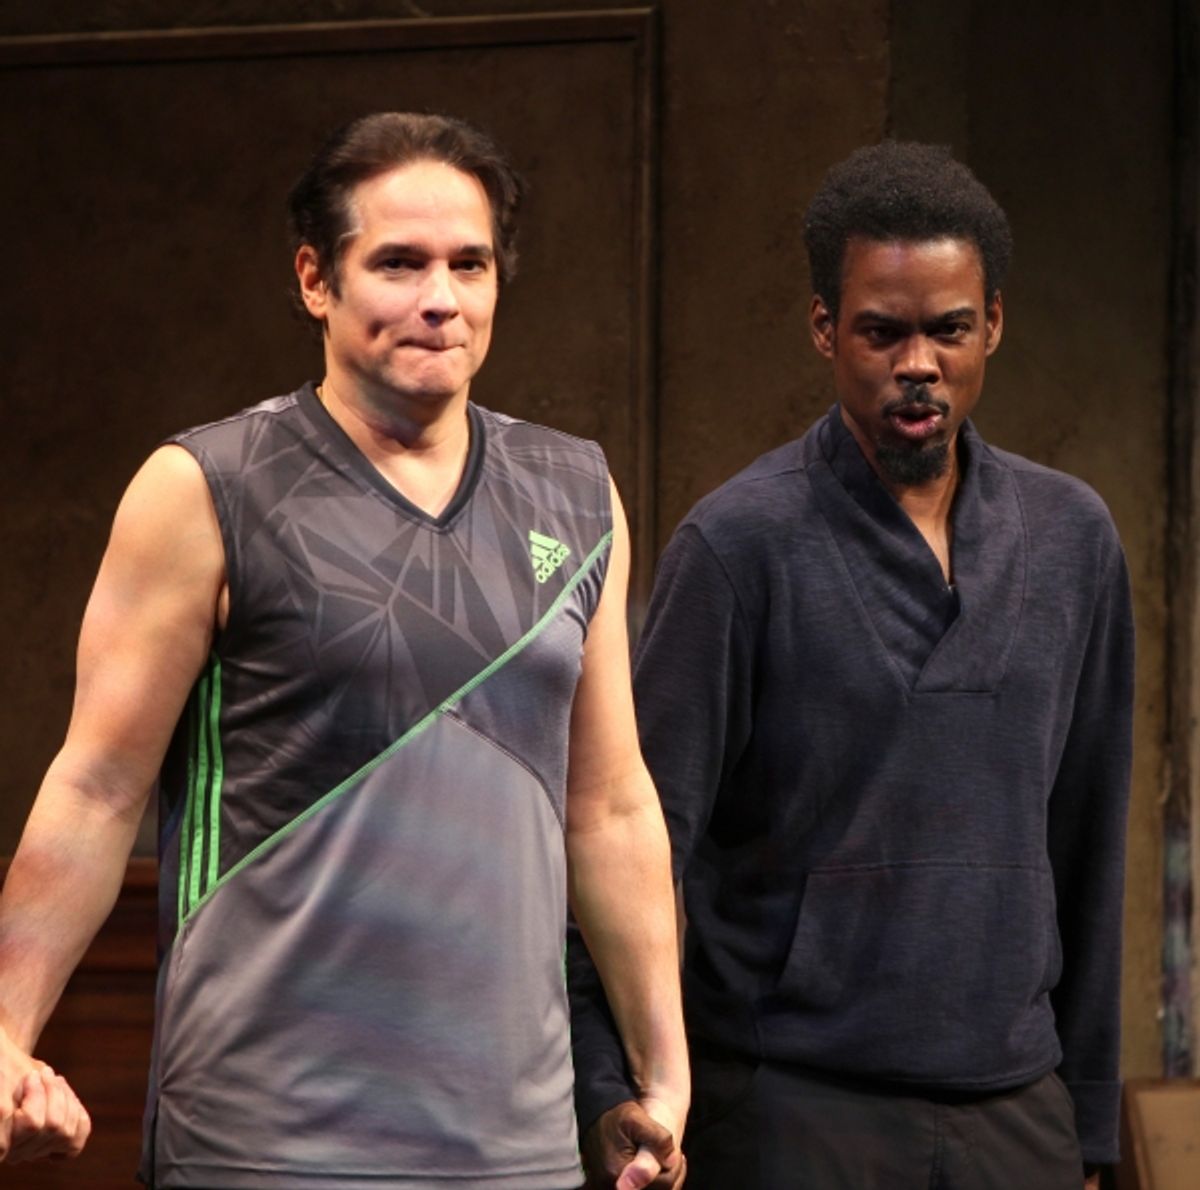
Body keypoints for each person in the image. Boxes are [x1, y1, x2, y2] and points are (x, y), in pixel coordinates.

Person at [0, 111, 689, 1189]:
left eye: (469, 263)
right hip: (264, 1139)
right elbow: (95, 786)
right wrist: (5, 1029)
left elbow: (609, 801)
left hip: (510, 1146)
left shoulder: (575, 491)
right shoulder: (206, 489)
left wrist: (660, 1067)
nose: (441, 298)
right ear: (316, 278)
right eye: (399, 263)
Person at [574, 141, 1133, 1189]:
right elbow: (631, 838)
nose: (917, 360)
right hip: (792, 1105)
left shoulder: (1072, 539)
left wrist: (1091, 1124)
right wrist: (613, 1082)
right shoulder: (740, 544)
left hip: (1018, 1110)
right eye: (883, 330)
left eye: (948, 330)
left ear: (993, 325)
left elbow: (1090, 839)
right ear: (826, 330)